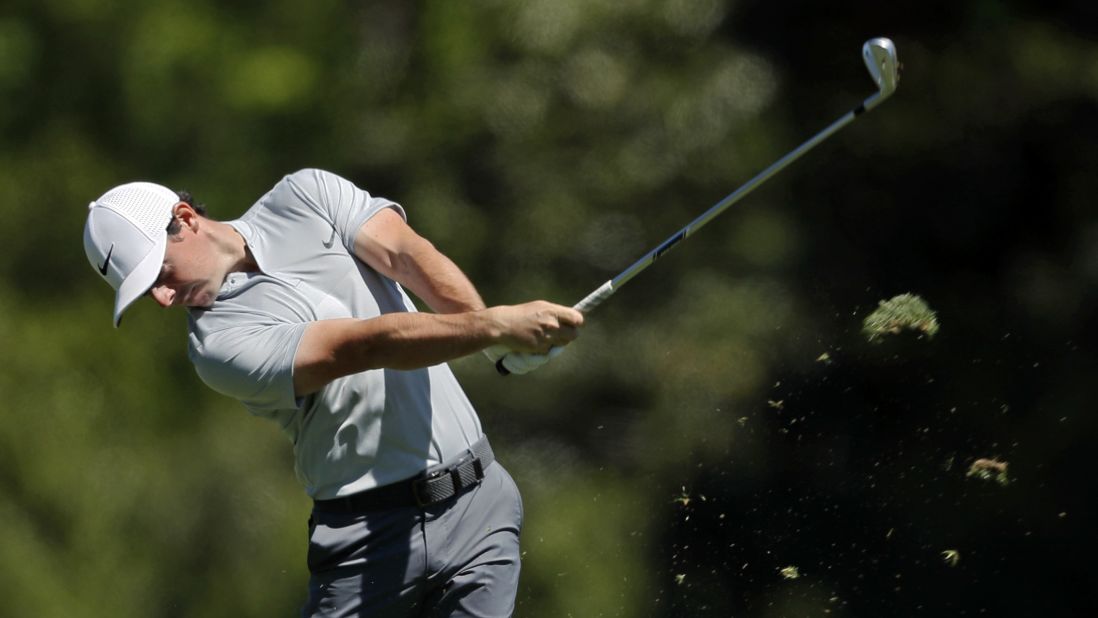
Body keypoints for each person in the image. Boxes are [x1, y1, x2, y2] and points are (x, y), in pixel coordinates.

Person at [82, 169, 584, 617]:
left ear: (186, 218)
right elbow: (363, 346)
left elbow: (405, 255)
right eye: (148, 292)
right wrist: (493, 328)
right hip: (369, 543)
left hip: (481, 504)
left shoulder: (306, 194)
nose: (164, 299)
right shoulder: (215, 346)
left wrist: (488, 337)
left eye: (159, 274)